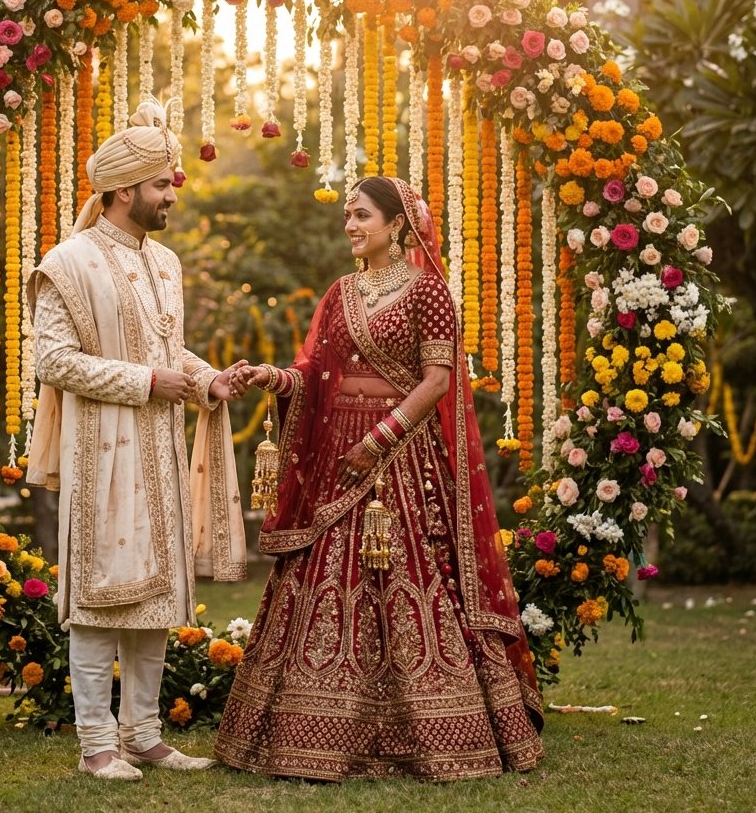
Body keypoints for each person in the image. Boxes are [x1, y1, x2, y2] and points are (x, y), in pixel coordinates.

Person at [214, 175, 545, 782]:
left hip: (401, 458)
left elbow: (437, 382)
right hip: (338, 451)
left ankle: (438, 730)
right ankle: (304, 731)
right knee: (323, 578)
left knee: (408, 578)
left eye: (362, 215)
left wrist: (382, 438)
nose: (351, 226)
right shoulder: (340, 294)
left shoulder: (429, 293)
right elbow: (317, 371)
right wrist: (273, 377)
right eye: (347, 215)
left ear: (397, 225)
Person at [27, 98, 250, 781]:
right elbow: (53, 362)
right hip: (102, 450)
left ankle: (145, 734)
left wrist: (208, 380)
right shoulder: (68, 264)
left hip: (160, 449)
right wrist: (146, 382)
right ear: (125, 190)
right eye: (161, 185)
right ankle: (97, 745)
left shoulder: (166, 263)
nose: (171, 197)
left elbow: (169, 348)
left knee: (154, 596)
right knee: (101, 597)